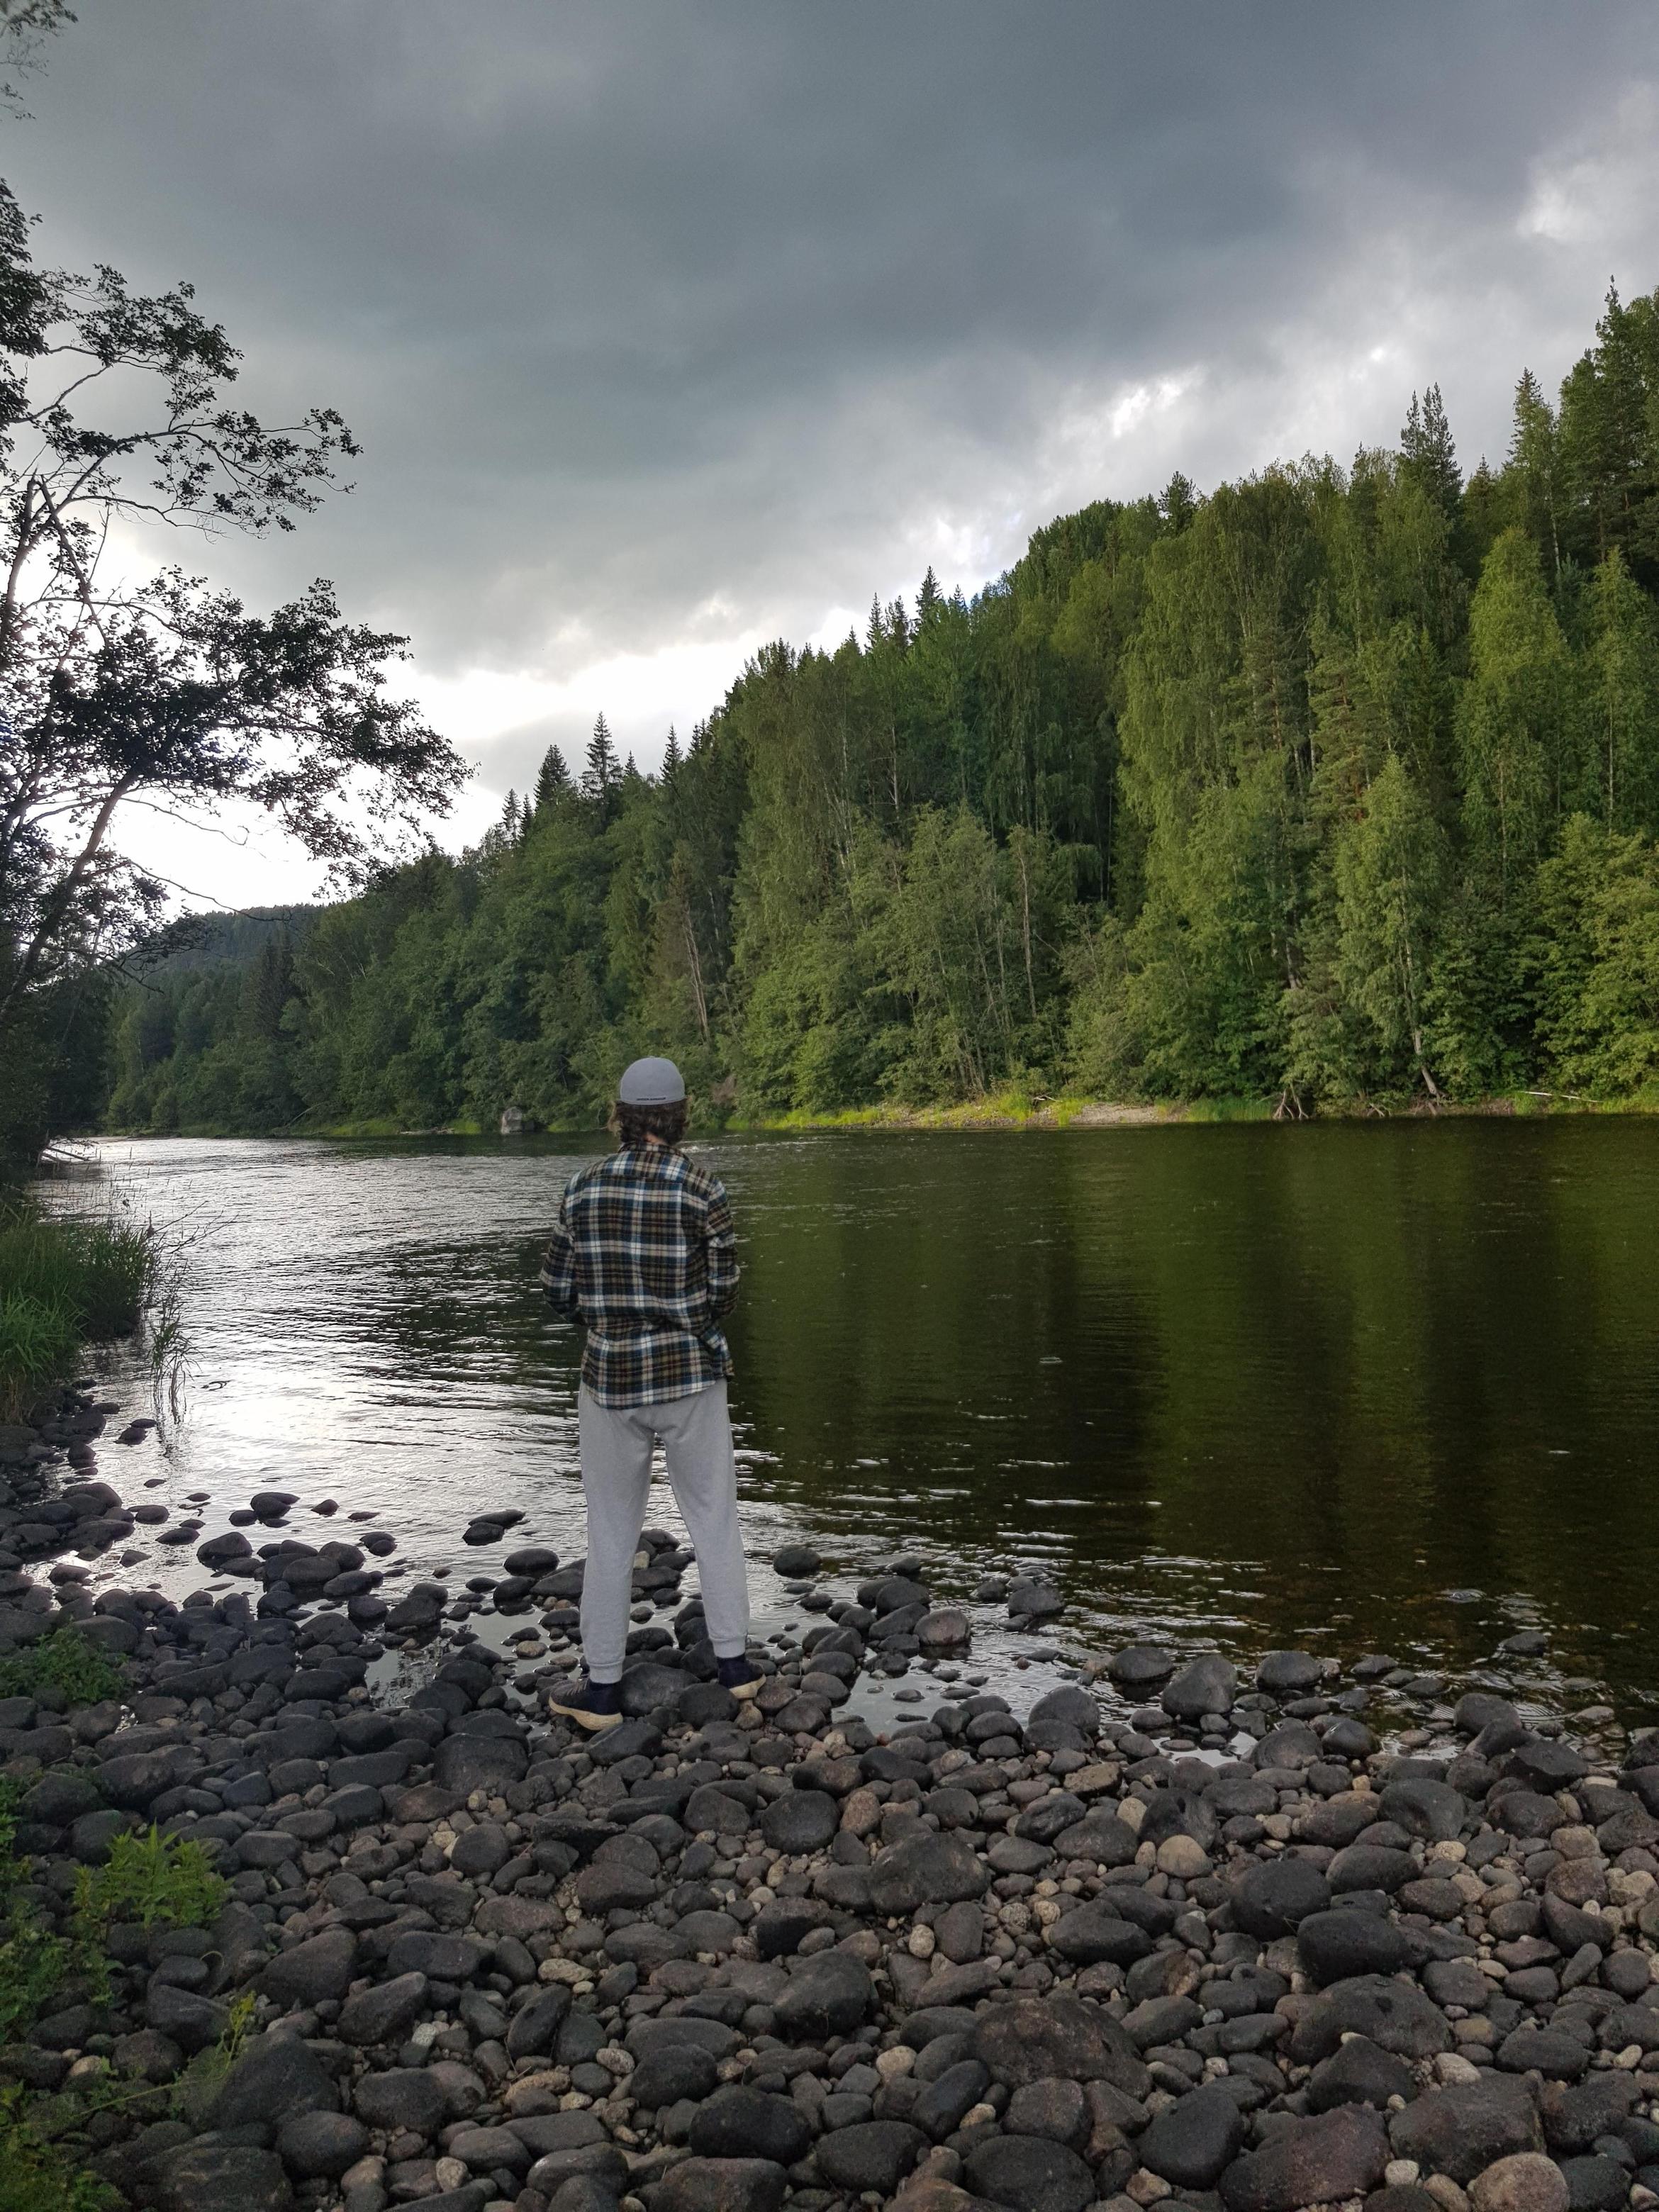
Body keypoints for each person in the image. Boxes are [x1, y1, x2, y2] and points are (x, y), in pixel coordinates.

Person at [538, 1055, 758, 1731]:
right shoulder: (703, 1187)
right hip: (691, 1375)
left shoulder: (581, 1188)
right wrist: (685, 1317)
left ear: (622, 1117)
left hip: (610, 1381)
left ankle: (602, 1689)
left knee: (609, 1533)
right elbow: (725, 1288)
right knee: (714, 1517)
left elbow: (557, 1291)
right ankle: (736, 1670)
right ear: (680, 1115)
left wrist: (606, 1322)